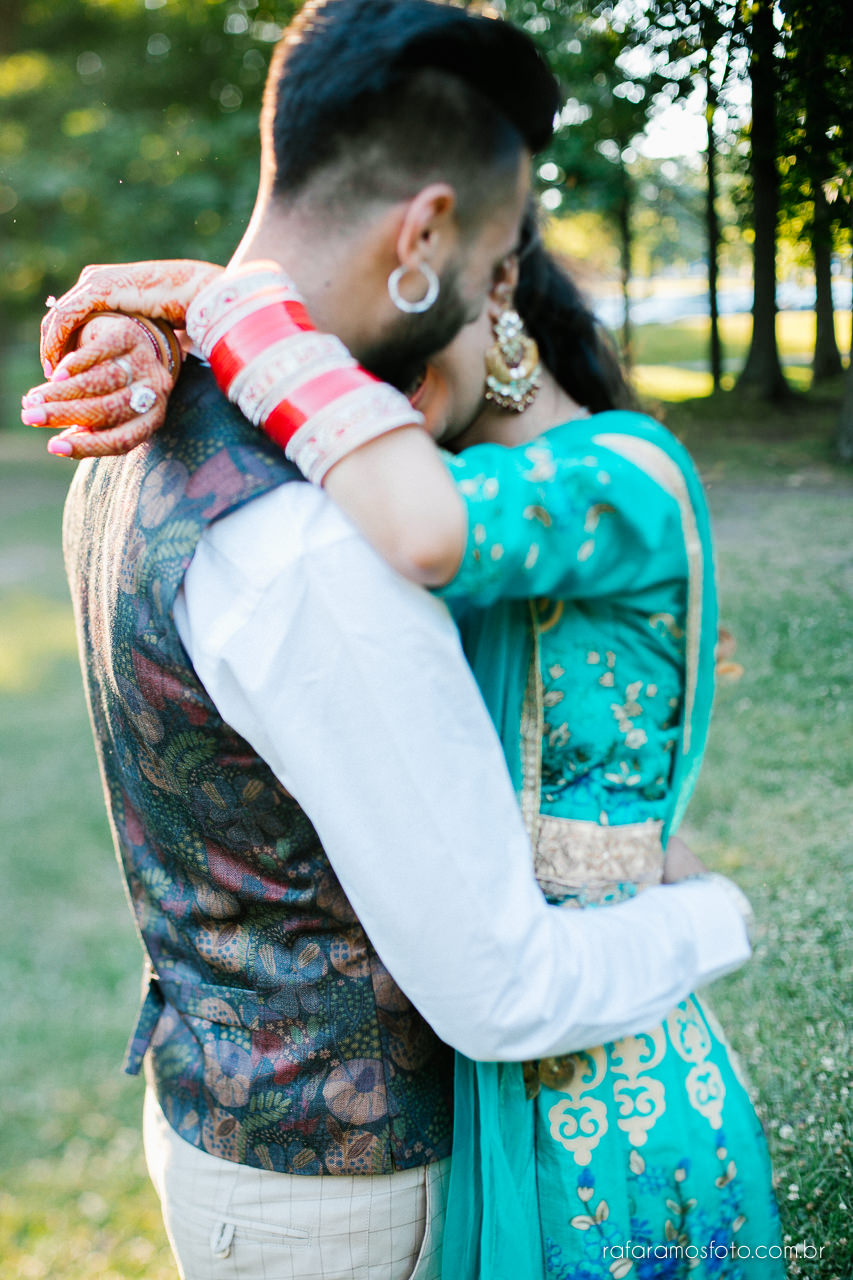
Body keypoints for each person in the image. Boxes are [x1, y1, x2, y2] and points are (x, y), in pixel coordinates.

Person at [28, 3, 761, 1277]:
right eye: (495, 257)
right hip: (345, 1201)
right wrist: (717, 916)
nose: (502, 288)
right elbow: (498, 986)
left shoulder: (146, 423)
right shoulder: (318, 530)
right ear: (423, 233)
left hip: (222, 1124)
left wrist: (204, 306)